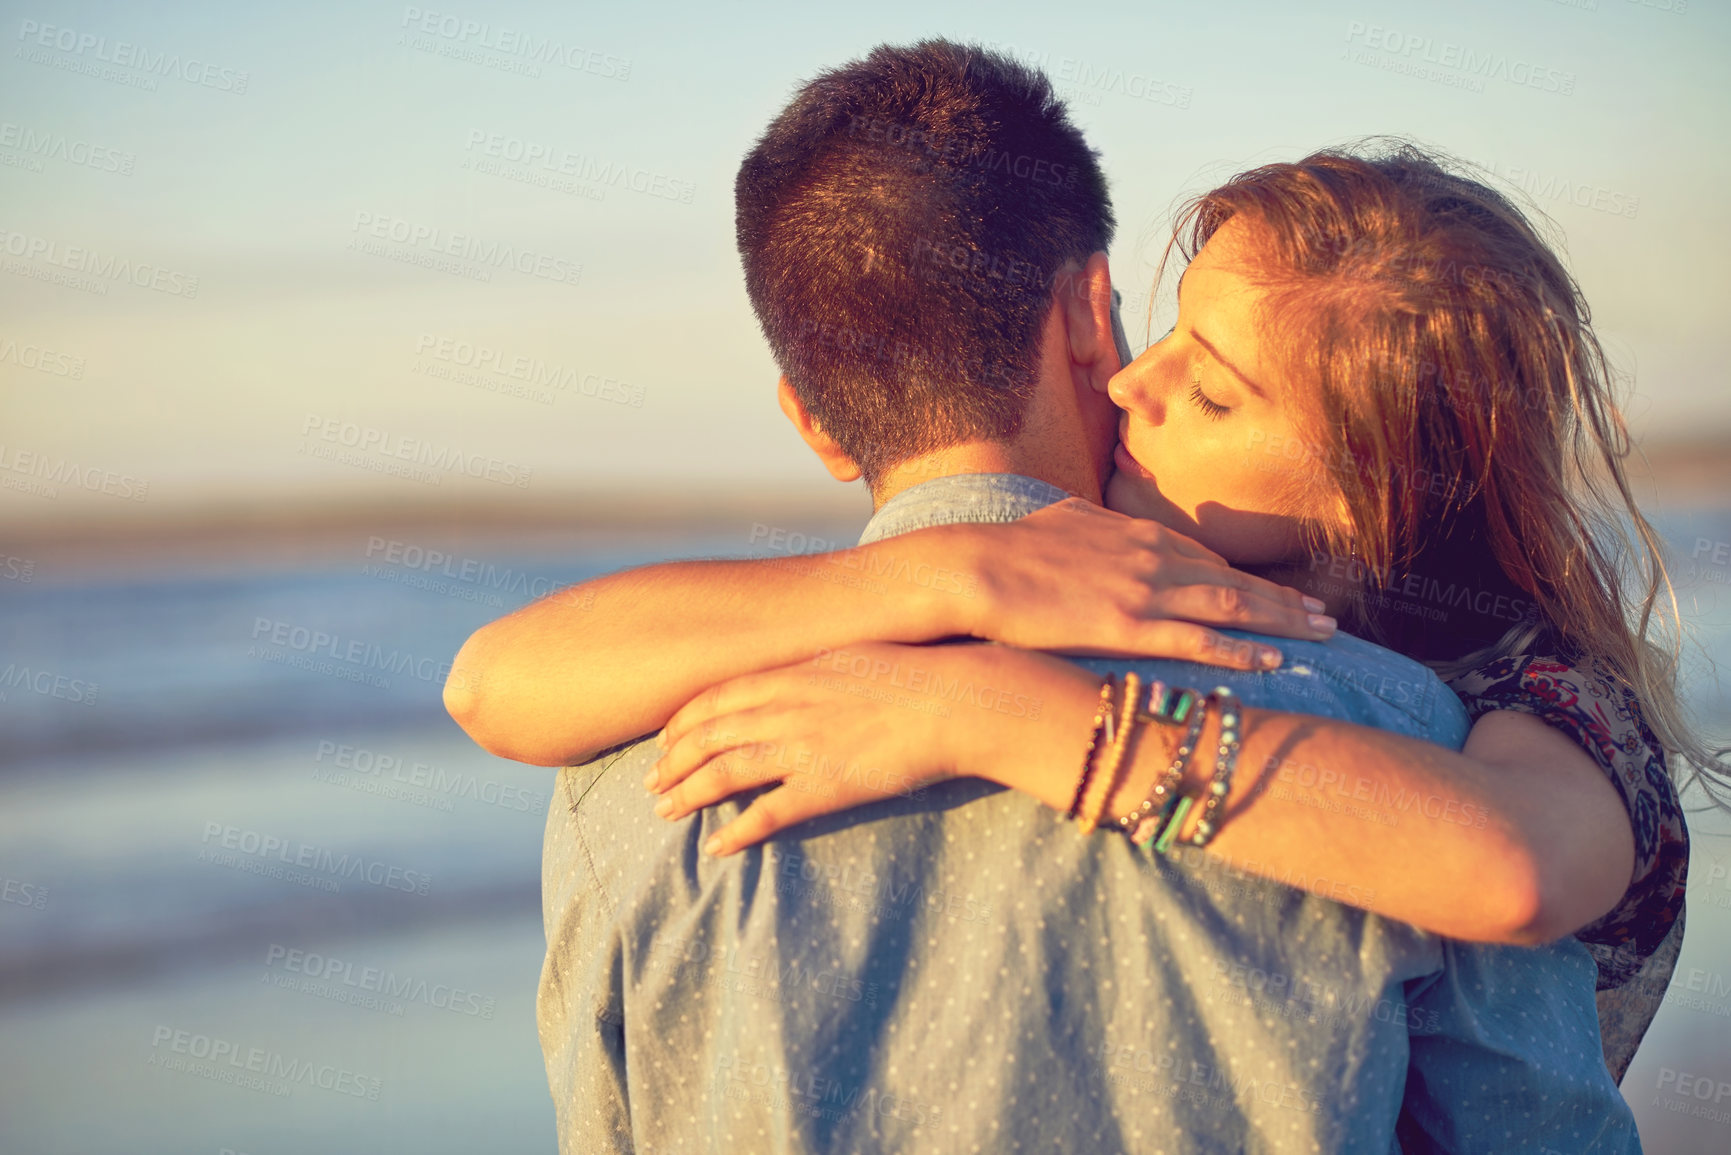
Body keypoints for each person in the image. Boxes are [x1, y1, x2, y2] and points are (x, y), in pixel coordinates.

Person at [447, 42, 1688, 1153]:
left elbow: (1509, 867)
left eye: (1212, 396)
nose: (1140, 386)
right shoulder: (1402, 714)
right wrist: (950, 574)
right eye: (1161, 341)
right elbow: (490, 678)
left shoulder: (1498, 725)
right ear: (1091, 315)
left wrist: (991, 708)